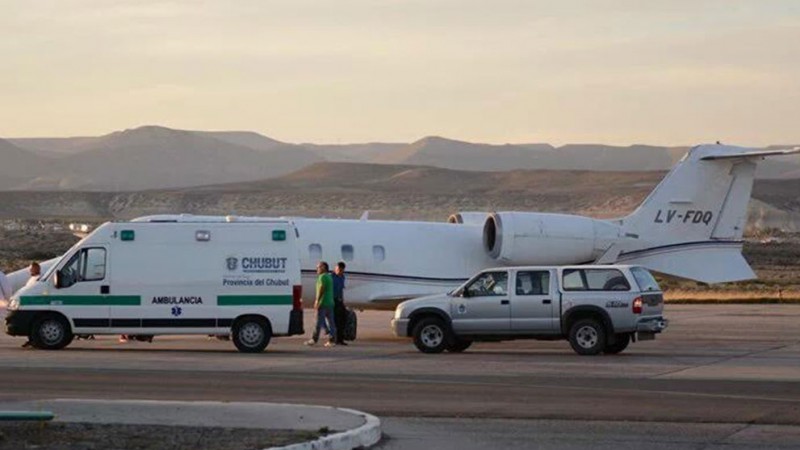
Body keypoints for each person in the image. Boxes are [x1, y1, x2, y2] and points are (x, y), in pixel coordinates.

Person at [305, 261, 336, 347]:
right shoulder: (329, 277)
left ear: (323, 268)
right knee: (331, 322)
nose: (317, 269)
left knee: (318, 322)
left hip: (323, 303)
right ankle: (332, 340)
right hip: (330, 303)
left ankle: (314, 339)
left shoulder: (322, 277)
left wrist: (317, 301)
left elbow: (321, 289)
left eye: (318, 267)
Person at [331, 261, 348, 345]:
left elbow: (341, 290)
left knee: (343, 319)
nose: (339, 271)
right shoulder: (331, 277)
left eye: (341, 270)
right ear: (335, 268)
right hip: (332, 300)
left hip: (339, 300)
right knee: (335, 320)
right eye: (338, 269)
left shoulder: (342, 277)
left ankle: (340, 339)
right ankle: (334, 339)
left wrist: (343, 301)